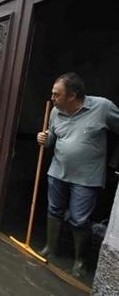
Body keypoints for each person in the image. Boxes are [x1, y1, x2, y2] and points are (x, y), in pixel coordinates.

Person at [37, 72, 119, 277]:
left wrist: (114, 162)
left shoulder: (102, 107)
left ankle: (80, 261)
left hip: (87, 177)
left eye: (56, 94)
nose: (52, 98)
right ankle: (50, 248)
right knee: (54, 210)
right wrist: (43, 139)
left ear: (72, 96)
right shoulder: (55, 111)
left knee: (80, 219)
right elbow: (51, 141)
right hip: (57, 172)